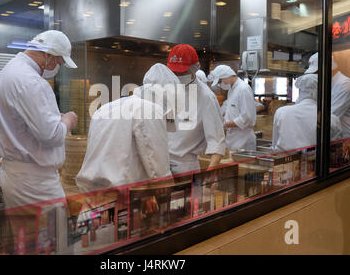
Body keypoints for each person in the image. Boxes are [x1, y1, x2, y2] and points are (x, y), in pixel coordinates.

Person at [0, 30, 78, 254]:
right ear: (48, 55)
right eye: (58, 60)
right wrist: (67, 120)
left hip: (17, 176)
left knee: (27, 242)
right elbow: (51, 135)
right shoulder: (31, 82)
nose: (56, 66)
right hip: (35, 181)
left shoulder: (8, 72)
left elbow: (26, 126)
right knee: (53, 243)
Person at [75, 63, 178, 192]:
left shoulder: (107, 108)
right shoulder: (151, 110)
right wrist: (170, 192)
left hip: (90, 194)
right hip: (122, 197)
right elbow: (158, 168)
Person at [166, 44, 226, 174]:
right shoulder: (169, 89)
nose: (177, 75)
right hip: (162, 165)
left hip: (185, 168)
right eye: (174, 72)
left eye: (182, 72)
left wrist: (212, 172)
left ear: (194, 69)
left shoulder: (206, 97)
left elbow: (216, 141)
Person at [305, 53, 350, 150]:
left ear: (328, 69)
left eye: (316, 72)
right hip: (339, 138)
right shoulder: (329, 84)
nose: (315, 76)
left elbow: (331, 116)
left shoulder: (345, 84)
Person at [272, 74, 342, 152]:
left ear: (300, 91)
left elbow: (274, 146)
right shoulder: (332, 119)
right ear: (322, 93)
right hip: (314, 163)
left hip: (283, 163)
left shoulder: (281, 112)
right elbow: (335, 151)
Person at [208, 65, 257, 151]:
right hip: (233, 138)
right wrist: (223, 119)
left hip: (243, 140)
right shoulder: (231, 91)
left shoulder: (243, 89)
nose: (220, 84)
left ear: (227, 76)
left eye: (220, 81)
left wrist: (225, 124)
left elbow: (247, 118)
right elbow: (232, 112)